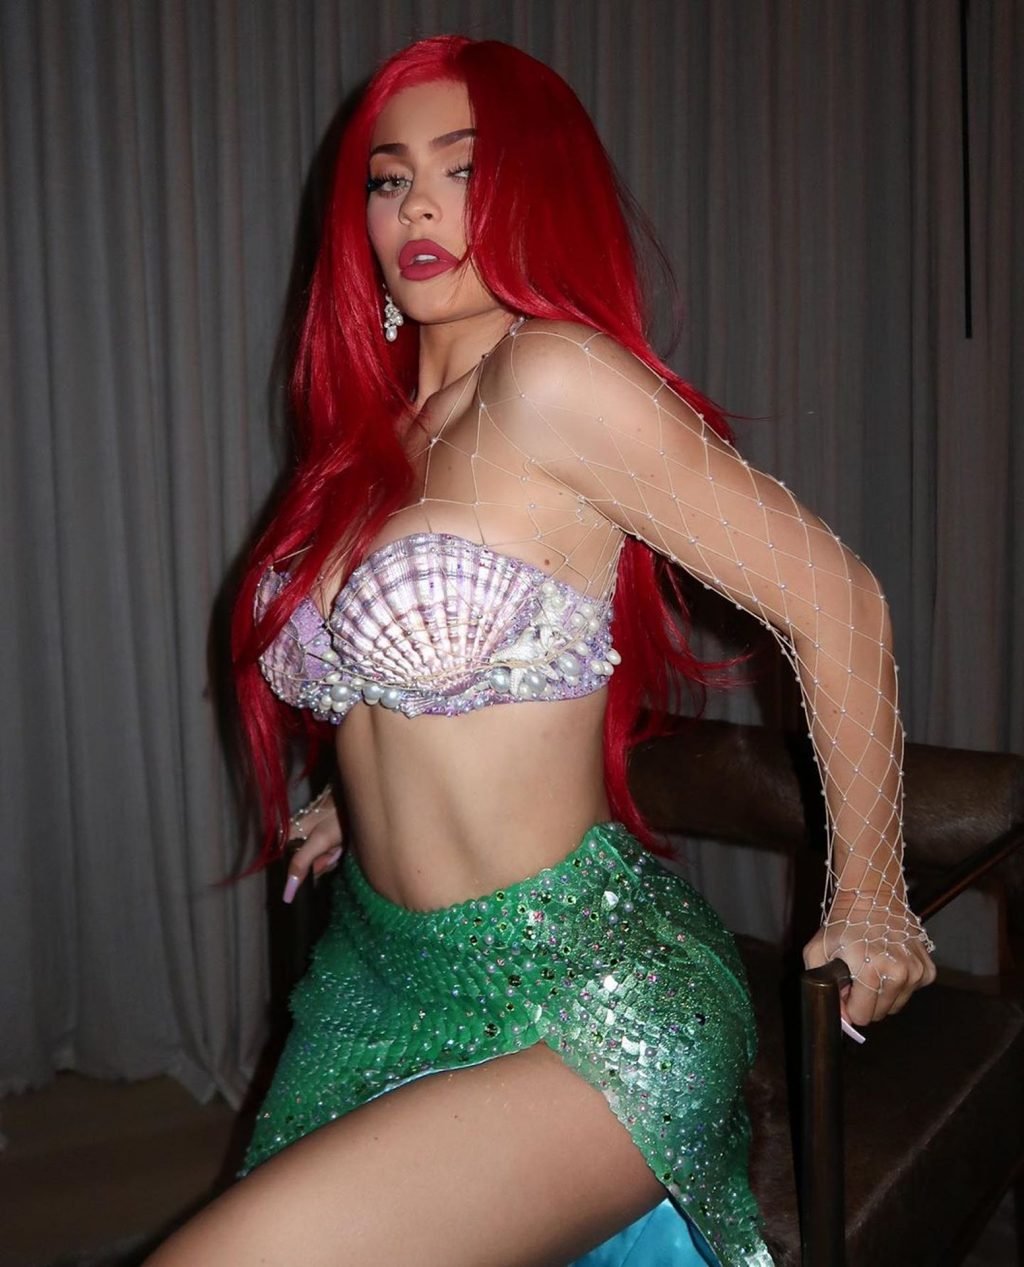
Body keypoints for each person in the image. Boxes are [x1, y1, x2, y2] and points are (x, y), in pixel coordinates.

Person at [146, 35, 935, 1267]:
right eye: (388, 177)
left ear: (534, 189)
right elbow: (418, 673)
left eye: (460, 169)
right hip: (381, 968)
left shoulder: (552, 381)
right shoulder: (371, 429)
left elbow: (838, 602)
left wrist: (872, 895)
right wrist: (366, 792)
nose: (416, 206)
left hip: (584, 991)